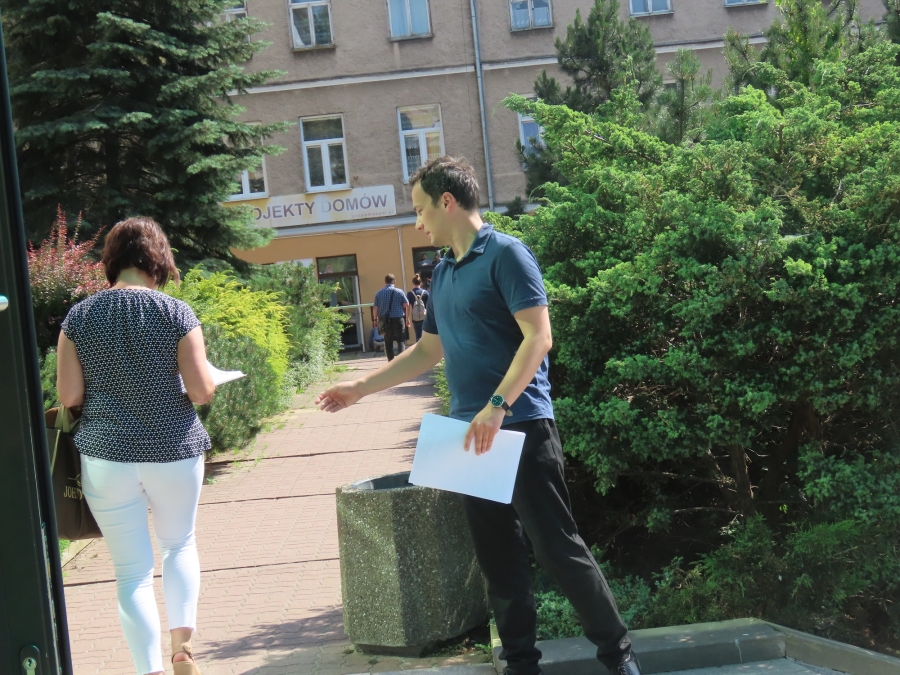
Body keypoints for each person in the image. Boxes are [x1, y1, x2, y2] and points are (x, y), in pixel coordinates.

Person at [316, 157, 642, 675]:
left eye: (420, 209)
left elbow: (539, 337)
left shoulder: (507, 254)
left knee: (556, 550)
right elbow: (428, 351)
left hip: (520, 422)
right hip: (465, 434)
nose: (417, 223)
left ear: (447, 202)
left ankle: (619, 656)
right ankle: (520, 665)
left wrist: (497, 406)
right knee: (498, 560)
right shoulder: (442, 272)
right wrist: (360, 387)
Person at [56, 217, 214, 675]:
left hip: (106, 455)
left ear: (112, 260)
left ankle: (149, 671)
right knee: (179, 544)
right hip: (173, 448)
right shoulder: (176, 313)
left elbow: (70, 396)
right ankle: (182, 649)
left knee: (131, 572)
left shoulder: (79, 317)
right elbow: (201, 390)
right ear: (158, 260)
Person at [372, 273, 410, 361]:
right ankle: (400, 361)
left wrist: (375, 320)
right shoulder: (399, 292)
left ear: (385, 282)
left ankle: (391, 362)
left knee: (388, 342)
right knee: (401, 340)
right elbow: (407, 304)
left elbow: (375, 308)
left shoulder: (379, 293)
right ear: (394, 282)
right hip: (398, 319)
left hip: (385, 320)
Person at [406, 273, 430, 342]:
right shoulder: (426, 292)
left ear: (413, 283)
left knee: (418, 336)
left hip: (415, 318)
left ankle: (419, 347)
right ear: (421, 283)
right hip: (425, 317)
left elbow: (408, 307)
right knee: (426, 335)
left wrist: (407, 318)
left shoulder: (410, 294)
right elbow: (430, 305)